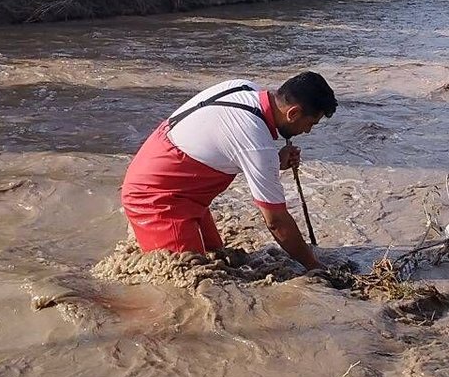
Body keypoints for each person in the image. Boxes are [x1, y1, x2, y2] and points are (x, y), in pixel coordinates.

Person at [121, 71, 337, 270]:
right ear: (293, 112)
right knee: (190, 278)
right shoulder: (256, 143)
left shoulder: (244, 88)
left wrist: (273, 161)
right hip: (155, 196)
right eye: (311, 123)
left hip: (171, 177)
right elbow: (276, 221)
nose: (307, 131)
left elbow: (225, 145)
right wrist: (314, 266)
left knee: (218, 257)